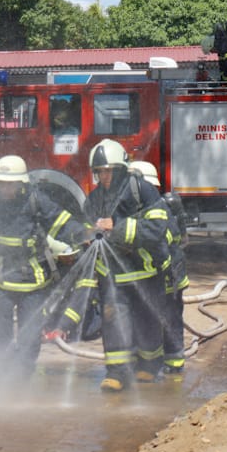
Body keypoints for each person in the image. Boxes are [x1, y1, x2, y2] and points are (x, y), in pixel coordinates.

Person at [0, 155, 87, 379]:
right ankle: (4, 370)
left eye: (9, 184)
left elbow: (61, 222)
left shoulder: (36, 200)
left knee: (30, 335)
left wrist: (84, 234)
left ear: (21, 182)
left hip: (33, 280)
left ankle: (23, 374)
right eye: (1, 183)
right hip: (1, 278)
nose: (5, 188)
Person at [79, 140, 170, 391]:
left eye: (109, 170)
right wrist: (87, 237)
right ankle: (117, 373)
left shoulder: (142, 190)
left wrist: (116, 227)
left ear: (121, 169)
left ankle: (149, 366)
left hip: (145, 272)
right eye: (100, 171)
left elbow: (157, 228)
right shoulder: (94, 199)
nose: (104, 176)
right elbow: (87, 230)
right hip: (112, 275)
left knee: (147, 320)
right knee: (113, 322)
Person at [129, 160, 190, 378]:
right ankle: (153, 362)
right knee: (153, 318)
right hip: (161, 275)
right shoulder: (148, 206)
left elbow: (164, 241)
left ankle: (173, 362)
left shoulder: (159, 208)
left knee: (168, 318)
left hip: (169, 275)